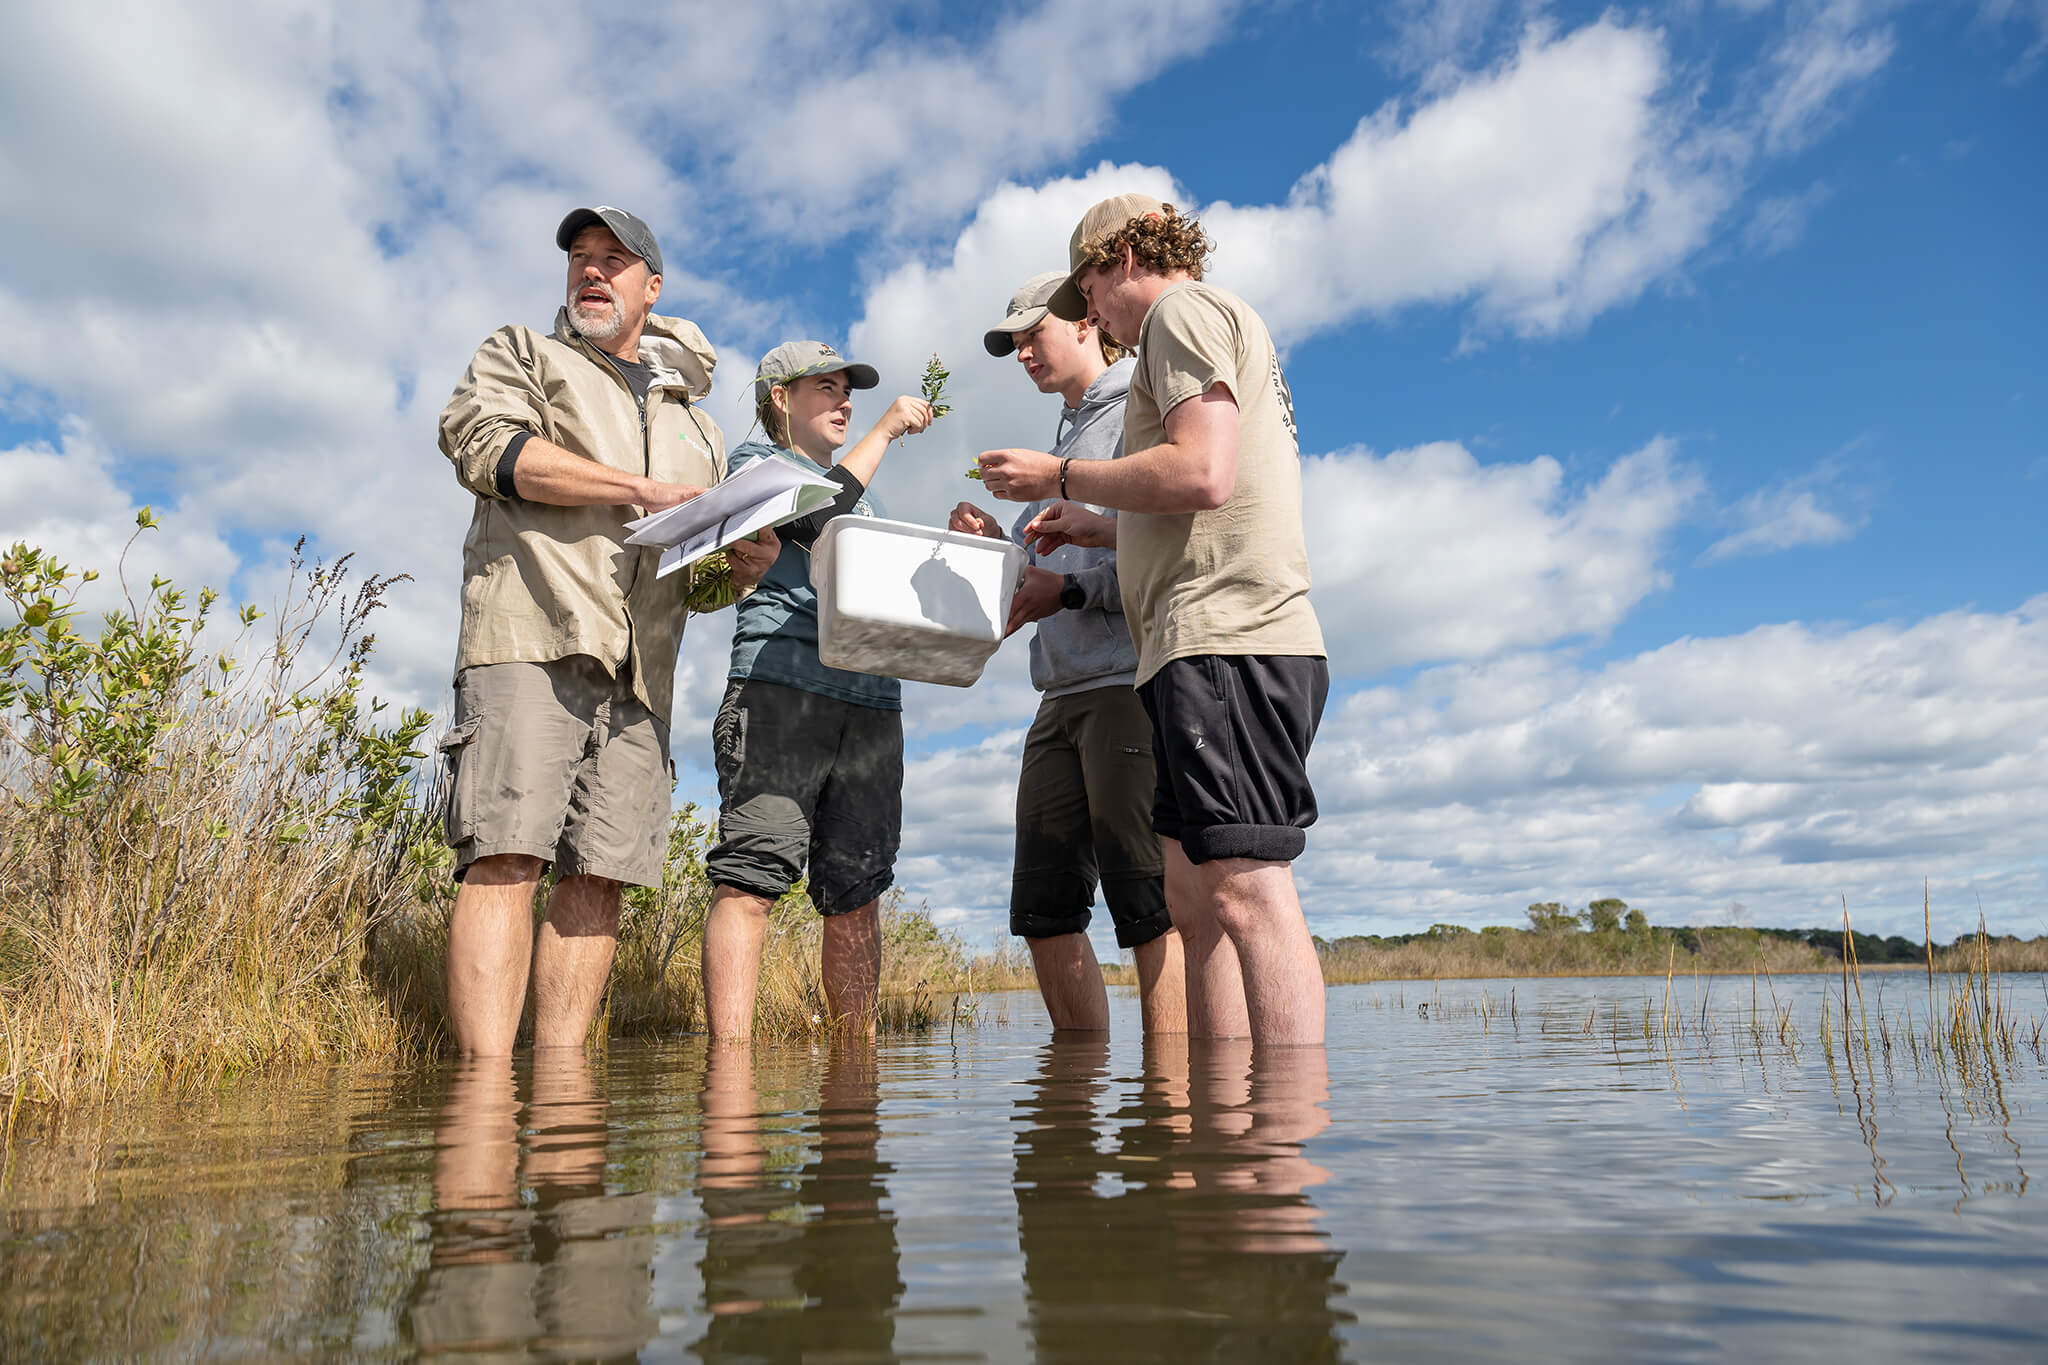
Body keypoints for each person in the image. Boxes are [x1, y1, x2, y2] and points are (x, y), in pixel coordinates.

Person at [977, 194, 1330, 1045]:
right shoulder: (1202, 324)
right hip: (1189, 646)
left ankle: (1277, 1159)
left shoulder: (1182, 313)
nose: (1090, 311)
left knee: (1245, 888)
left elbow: (1203, 471)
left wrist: (1062, 478)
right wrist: (1094, 525)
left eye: (1088, 288)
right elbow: (1205, 497)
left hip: (1228, 634)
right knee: (1193, 902)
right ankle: (1214, 1154)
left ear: (1126, 257)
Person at [437, 206, 780, 1059]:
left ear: (651, 288)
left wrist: (741, 567)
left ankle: (558, 1096)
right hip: (530, 639)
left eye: (614, 261)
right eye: (580, 259)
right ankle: (482, 1106)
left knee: (600, 876)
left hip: (644, 678)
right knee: (506, 857)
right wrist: (638, 487)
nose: (592, 271)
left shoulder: (695, 425)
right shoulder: (522, 352)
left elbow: (692, 581)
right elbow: (491, 451)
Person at [950, 271, 1186, 1035]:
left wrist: (1075, 594)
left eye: (1032, 335)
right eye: (1012, 344)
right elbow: (1054, 572)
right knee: (1043, 910)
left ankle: (1174, 1120)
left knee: (1151, 907)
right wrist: (999, 548)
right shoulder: (1062, 436)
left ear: (1087, 320)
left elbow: (1168, 550)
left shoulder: (1139, 412)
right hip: (1058, 696)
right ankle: (1071, 1106)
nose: (1022, 353)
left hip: (1127, 683)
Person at [700, 342, 933, 1039]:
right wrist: (886, 429)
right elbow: (814, 518)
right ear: (781, 398)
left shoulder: (871, 498)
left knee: (857, 892)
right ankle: (730, 1078)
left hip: (872, 706)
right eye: (826, 388)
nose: (845, 402)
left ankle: (852, 1079)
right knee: (749, 878)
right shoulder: (754, 464)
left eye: (848, 392)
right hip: (780, 690)